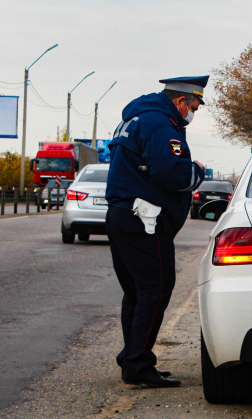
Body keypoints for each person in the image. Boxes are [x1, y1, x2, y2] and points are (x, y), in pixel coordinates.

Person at [105, 75, 208, 388]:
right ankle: (137, 364)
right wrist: (198, 172)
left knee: (137, 292)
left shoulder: (135, 118)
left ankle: (133, 359)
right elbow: (172, 171)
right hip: (144, 221)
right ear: (179, 101)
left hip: (123, 216)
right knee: (155, 289)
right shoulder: (160, 123)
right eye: (193, 106)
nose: (194, 113)